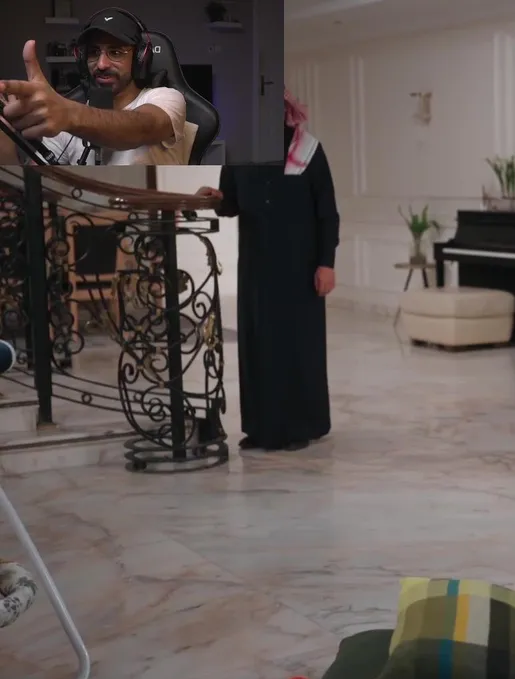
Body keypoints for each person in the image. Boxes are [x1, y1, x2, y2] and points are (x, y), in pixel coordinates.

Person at [195, 88, 337, 452]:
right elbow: (231, 202)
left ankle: (300, 427)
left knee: (296, 348)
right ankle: (260, 428)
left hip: (300, 270)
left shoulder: (309, 151)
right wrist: (216, 199)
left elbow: (327, 214)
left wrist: (326, 263)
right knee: (258, 346)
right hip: (257, 268)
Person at [0, 8, 188, 165]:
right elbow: (34, 188)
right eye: (93, 52)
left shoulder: (166, 98)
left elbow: (143, 128)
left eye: (115, 52)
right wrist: (6, 143)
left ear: (140, 58)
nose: (101, 64)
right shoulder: (64, 118)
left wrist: (69, 115)